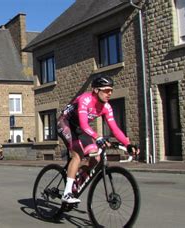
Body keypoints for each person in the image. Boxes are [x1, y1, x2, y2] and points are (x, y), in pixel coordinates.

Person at [57, 76, 139, 204]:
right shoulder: (85, 99)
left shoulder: (106, 107)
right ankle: (67, 193)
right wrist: (98, 137)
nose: (110, 93)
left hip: (79, 129)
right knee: (77, 154)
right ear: (96, 90)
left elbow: (115, 129)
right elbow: (84, 124)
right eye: (106, 90)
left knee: (96, 158)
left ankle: (75, 182)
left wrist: (127, 144)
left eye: (111, 90)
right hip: (65, 123)